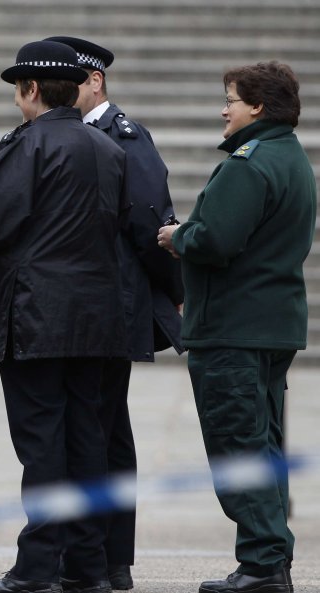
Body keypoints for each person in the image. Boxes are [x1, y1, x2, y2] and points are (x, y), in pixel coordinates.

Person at [0, 40, 128, 593]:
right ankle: (88, 567)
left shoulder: (27, 146)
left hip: (37, 317)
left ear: (29, 90)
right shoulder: (109, 149)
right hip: (96, 318)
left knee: (43, 445)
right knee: (88, 440)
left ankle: (37, 568)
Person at [157, 61, 315, 593]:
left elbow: (215, 240)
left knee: (237, 447)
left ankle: (263, 563)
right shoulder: (290, 157)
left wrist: (177, 236)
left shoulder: (249, 163)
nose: (224, 109)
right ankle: (270, 558)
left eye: (231, 99)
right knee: (262, 445)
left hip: (232, 330)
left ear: (258, 108)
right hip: (271, 328)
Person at [45, 36, 184, 591]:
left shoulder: (123, 137)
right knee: (98, 432)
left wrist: (171, 289)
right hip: (88, 307)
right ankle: (99, 557)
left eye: (70, 81)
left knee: (102, 434)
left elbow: (153, 225)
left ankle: (108, 558)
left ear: (94, 81)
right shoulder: (73, 136)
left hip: (114, 306)